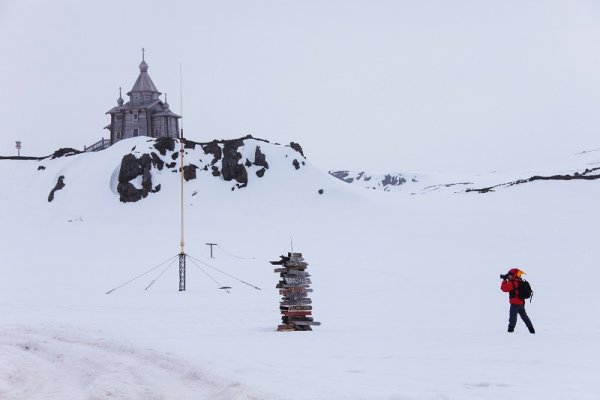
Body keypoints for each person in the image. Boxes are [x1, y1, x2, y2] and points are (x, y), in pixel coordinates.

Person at [500, 268, 535, 334]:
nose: (508, 276)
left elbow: (503, 288)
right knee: (525, 317)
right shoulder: (519, 281)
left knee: (512, 318)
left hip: (514, 304)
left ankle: (510, 331)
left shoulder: (513, 283)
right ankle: (532, 330)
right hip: (521, 303)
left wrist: (504, 280)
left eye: (509, 275)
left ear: (513, 275)